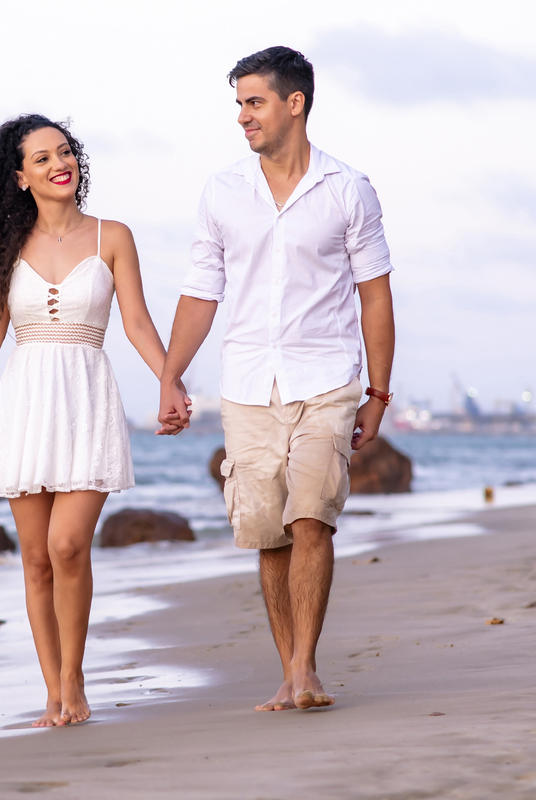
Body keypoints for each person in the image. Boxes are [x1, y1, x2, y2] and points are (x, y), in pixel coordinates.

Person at [157, 46, 396, 711]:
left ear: (296, 103)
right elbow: (202, 292)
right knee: (268, 533)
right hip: (247, 384)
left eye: (254, 101)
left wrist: (379, 392)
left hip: (327, 378)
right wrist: (172, 377)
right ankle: (288, 672)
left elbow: (375, 295)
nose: (242, 117)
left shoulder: (348, 189)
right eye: (237, 104)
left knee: (311, 517)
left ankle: (305, 669)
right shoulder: (223, 192)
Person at [0, 115, 174, 727]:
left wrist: (170, 381)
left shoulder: (111, 236)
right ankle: (51, 693)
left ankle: (75, 679)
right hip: (25, 403)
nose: (56, 163)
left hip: (87, 396)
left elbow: (138, 323)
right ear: (20, 178)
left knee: (68, 546)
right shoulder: (8, 250)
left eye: (63, 152)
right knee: (36, 559)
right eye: (40, 158)